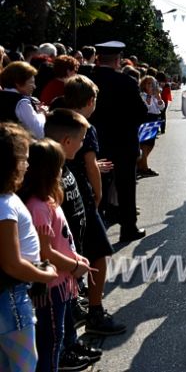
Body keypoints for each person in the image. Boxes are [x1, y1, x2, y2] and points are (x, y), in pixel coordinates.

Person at [20, 138, 96, 372]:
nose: (62, 171)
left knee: (60, 331)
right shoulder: (38, 207)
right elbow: (46, 252)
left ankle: (64, 355)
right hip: (51, 285)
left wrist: (76, 260)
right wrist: (74, 266)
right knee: (51, 339)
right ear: (47, 171)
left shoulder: (49, 200)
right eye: (59, 166)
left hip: (61, 281)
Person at [57, 77, 123, 335]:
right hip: (81, 193)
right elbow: (89, 163)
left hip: (61, 191)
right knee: (98, 252)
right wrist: (98, 193)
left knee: (69, 249)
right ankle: (96, 311)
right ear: (91, 101)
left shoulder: (56, 118)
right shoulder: (85, 126)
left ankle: (73, 305)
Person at [0, 124, 58, 372]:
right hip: (11, 295)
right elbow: (11, 263)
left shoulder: (7, 198)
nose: (26, 165)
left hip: (12, 293)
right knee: (23, 366)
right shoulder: (3, 206)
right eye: (23, 159)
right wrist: (45, 274)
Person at [88, 41, 147, 243]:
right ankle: (128, 228)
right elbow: (142, 112)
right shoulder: (127, 82)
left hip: (96, 143)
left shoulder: (88, 79)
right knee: (126, 187)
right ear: (118, 60)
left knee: (97, 186)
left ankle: (95, 230)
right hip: (124, 143)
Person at [0, 61, 46, 138]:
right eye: (31, 83)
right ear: (18, 83)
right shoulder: (22, 102)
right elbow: (39, 132)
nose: (34, 87)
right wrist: (41, 114)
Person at [137, 75, 165, 178]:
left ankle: (141, 163)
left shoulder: (155, 95)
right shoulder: (143, 95)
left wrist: (158, 97)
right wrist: (149, 97)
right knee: (145, 144)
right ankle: (144, 166)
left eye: (153, 84)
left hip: (154, 118)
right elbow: (147, 107)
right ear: (144, 85)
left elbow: (161, 107)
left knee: (151, 144)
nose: (151, 86)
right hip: (147, 118)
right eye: (148, 83)